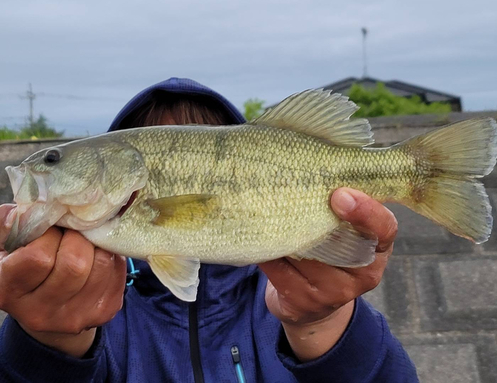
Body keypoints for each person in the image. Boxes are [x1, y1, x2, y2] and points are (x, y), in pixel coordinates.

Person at [0, 78, 417, 382]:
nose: (42, 168)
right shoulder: (100, 306)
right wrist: (46, 346)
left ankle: (419, 170)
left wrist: (322, 326)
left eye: (53, 160)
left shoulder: (274, 297)